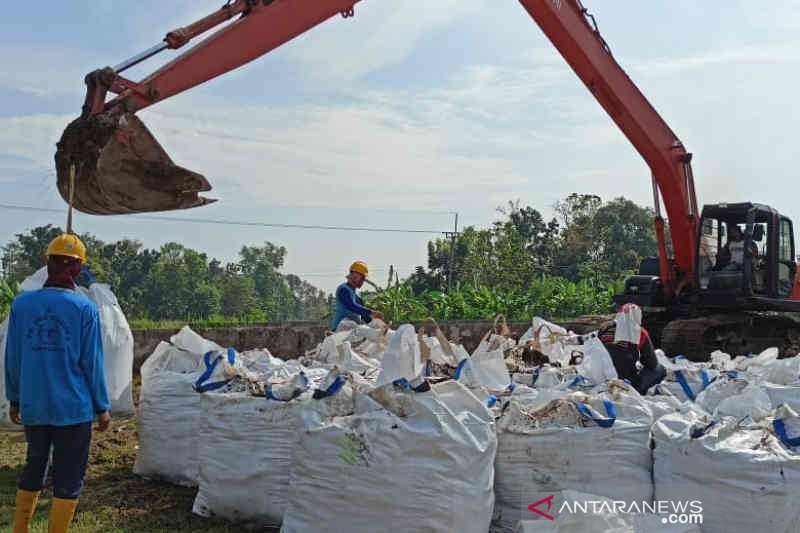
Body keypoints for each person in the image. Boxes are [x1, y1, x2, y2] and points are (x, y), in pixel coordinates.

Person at [6, 233, 111, 533]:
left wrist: (15, 398)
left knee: (34, 465)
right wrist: (102, 407)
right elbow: (91, 363)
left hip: (34, 406)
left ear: (48, 262)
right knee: (68, 476)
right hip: (74, 410)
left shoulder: (22, 305)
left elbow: (13, 357)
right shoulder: (84, 309)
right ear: (78, 268)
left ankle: (20, 529)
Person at [599, 303, 666, 394]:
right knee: (659, 369)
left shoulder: (604, 328)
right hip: (627, 383)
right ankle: (639, 390)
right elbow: (651, 363)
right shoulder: (640, 332)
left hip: (601, 378)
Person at [331, 261, 383, 331]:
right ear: (354, 275)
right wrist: (372, 312)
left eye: (363, 279)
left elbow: (365, 316)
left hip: (351, 330)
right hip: (340, 330)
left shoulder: (356, 296)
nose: (362, 281)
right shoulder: (343, 289)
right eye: (362, 278)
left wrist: (376, 324)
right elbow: (351, 306)